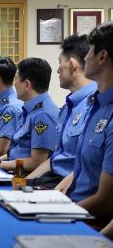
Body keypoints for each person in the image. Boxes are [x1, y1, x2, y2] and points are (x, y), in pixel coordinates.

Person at [57, 22, 113, 220]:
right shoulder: (95, 105)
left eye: (89, 51)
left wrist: (58, 215)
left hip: (91, 218)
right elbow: (80, 169)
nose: (85, 57)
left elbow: (105, 200)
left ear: (102, 56)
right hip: (73, 205)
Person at [26, 35, 96, 188]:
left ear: (72, 64)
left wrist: (55, 196)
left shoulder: (95, 106)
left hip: (70, 186)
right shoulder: (68, 107)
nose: (57, 69)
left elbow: (85, 165)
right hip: (52, 178)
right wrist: (25, 183)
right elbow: (55, 159)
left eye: (60, 63)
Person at [0, 58, 59, 172]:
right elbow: (16, 151)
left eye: (16, 79)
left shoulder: (43, 114)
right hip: (14, 168)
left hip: (24, 176)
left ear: (26, 84)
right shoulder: (30, 109)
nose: (14, 84)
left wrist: (0, 165)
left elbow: (37, 162)